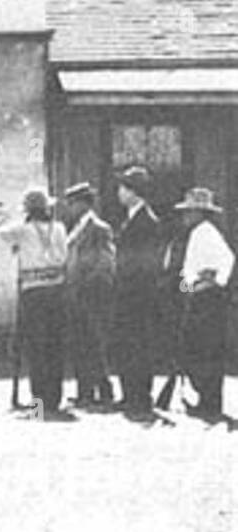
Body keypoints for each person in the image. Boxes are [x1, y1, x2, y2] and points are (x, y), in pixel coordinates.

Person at [161, 188, 233, 421]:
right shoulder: (199, 233)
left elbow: (225, 265)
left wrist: (204, 284)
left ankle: (209, 400)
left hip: (207, 300)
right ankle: (206, 399)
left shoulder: (206, 234)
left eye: (190, 212)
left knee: (204, 350)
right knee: (200, 350)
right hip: (199, 296)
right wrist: (187, 289)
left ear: (200, 213)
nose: (185, 217)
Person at [0, 189, 70, 419]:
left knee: (36, 349)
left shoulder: (23, 230)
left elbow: (2, 234)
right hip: (57, 290)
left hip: (33, 293)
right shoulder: (59, 229)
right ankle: (54, 400)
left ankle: (38, 402)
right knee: (54, 347)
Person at [110, 166, 163, 420]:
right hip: (127, 294)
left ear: (133, 191)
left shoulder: (146, 221)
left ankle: (140, 396)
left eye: (123, 187)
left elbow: (146, 265)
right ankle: (131, 393)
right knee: (127, 345)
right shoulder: (132, 218)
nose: (119, 192)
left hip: (138, 296)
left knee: (138, 344)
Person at [64, 181, 117, 410]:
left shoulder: (99, 228)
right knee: (81, 344)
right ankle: (84, 391)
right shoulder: (76, 228)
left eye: (74, 203)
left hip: (92, 295)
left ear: (85, 203)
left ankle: (104, 390)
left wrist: (89, 287)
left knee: (94, 344)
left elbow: (105, 264)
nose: (70, 207)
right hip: (76, 294)